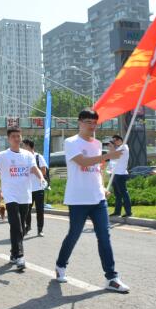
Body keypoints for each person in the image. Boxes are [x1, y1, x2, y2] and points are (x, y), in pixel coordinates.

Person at [54, 109, 129, 293]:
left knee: (104, 236)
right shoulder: (71, 142)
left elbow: (96, 169)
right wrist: (108, 156)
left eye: (95, 122)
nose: (92, 126)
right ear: (79, 122)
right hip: (78, 199)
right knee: (74, 234)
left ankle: (112, 277)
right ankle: (60, 264)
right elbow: (83, 162)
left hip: (97, 199)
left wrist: (102, 187)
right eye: (88, 122)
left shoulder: (96, 143)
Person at [0, 128, 45, 270]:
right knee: (16, 225)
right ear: (9, 139)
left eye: (18, 136)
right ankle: (20, 256)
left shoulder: (27, 154)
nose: (16, 139)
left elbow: (34, 168)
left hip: (25, 195)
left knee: (19, 226)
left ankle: (13, 253)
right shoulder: (3, 155)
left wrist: (41, 177)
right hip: (10, 196)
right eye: (13, 136)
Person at [21, 139, 48, 236]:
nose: (22, 147)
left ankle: (40, 229)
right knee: (26, 210)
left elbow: (44, 171)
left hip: (38, 188)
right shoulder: (23, 157)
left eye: (23, 145)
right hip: (27, 189)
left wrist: (34, 171)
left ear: (28, 146)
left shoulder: (38, 157)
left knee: (39, 210)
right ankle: (27, 226)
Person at [109, 134, 132, 217]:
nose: (113, 142)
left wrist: (111, 148)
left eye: (114, 140)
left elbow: (114, 156)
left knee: (123, 193)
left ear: (120, 140)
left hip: (120, 174)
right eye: (112, 141)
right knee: (117, 194)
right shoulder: (117, 148)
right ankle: (117, 211)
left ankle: (128, 212)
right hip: (114, 173)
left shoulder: (124, 147)